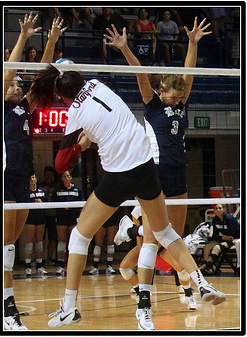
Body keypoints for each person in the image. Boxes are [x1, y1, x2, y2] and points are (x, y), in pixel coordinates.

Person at [23, 63, 225, 331]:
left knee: (79, 236)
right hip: (146, 165)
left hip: (120, 172)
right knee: (165, 232)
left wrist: (81, 146)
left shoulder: (74, 112)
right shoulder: (98, 84)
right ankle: (201, 281)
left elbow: (60, 165)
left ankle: (69, 308)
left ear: (62, 97)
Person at [106, 18, 211, 326]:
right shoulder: (152, 104)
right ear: (162, 90)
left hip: (179, 174)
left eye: (181, 97)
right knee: (153, 241)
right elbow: (140, 74)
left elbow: (188, 75)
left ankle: (186, 284)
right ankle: (145, 303)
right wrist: (125, 48)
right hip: (155, 175)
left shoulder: (181, 103)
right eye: (174, 97)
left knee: (173, 239)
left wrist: (192, 42)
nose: (179, 101)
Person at [3, 13, 65, 330]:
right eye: (11, 82)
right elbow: (9, 72)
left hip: (23, 175)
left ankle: (6, 302)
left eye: (16, 84)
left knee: (11, 242)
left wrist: (51, 40)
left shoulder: (25, 104)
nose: (15, 84)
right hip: (5, 178)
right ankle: (8, 307)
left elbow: (42, 78)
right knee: (6, 243)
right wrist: (24, 37)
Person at [52, 170, 86, 276]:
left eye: (68, 176)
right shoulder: (57, 190)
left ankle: (72, 266)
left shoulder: (77, 189)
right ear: (61, 179)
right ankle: (60, 265)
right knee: (62, 242)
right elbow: (53, 203)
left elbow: (82, 203)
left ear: (71, 177)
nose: (66, 178)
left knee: (73, 242)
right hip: (61, 218)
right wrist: (62, 205)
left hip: (73, 218)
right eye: (64, 176)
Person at [199, 203, 240, 273]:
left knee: (217, 248)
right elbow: (215, 236)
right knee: (207, 247)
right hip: (223, 239)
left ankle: (204, 267)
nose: (218, 210)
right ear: (214, 211)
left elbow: (231, 236)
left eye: (220, 208)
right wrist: (222, 237)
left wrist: (223, 238)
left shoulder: (229, 219)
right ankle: (208, 267)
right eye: (216, 209)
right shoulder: (215, 220)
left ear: (224, 209)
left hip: (235, 239)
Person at [23, 174, 48, 276]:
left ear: (36, 179)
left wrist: (41, 202)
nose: (32, 179)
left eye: (33, 177)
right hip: (29, 218)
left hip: (40, 218)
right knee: (29, 241)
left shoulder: (42, 191)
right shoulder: (25, 191)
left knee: (39, 242)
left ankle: (39, 266)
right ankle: (28, 266)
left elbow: (47, 203)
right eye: (30, 178)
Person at [89, 207, 123, 275]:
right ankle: (95, 266)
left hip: (113, 216)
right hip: (100, 216)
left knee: (111, 242)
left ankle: (109, 266)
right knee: (98, 243)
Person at [41, 165, 58, 266]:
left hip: (53, 214)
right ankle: (39, 259)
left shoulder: (56, 186)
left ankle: (49, 258)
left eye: (50, 174)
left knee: (52, 237)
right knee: (40, 238)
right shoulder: (40, 186)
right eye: (46, 174)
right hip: (42, 214)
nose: (48, 176)